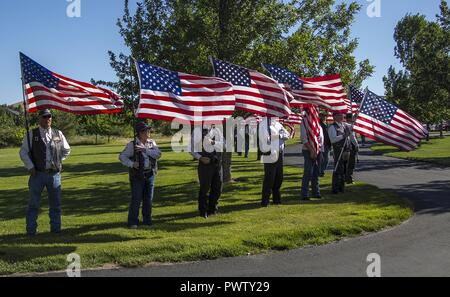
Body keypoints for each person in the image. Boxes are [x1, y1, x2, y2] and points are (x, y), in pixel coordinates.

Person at [19, 109, 71, 236]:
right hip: (37, 174)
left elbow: (67, 150)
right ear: (39, 119)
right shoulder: (31, 134)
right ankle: (31, 231)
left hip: (54, 175)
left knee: (56, 205)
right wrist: (30, 166)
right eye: (45, 116)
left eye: (49, 116)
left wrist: (59, 161)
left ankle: (56, 230)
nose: (48, 119)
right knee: (33, 204)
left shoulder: (58, 133)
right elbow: (23, 152)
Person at [119, 122, 161, 228]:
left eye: (148, 130)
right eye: (146, 131)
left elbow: (158, 154)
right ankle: (133, 221)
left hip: (150, 174)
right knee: (136, 198)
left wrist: (145, 150)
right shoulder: (132, 145)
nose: (149, 132)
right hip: (137, 175)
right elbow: (122, 157)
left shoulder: (152, 143)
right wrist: (132, 164)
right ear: (140, 133)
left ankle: (147, 220)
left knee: (148, 199)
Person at [190, 126, 223, 218]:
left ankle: (212, 209)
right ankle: (203, 211)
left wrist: (213, 142)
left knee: (217, 188)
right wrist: (200, 158)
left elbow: (224, 145)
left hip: (217, 163)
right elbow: (191, 148)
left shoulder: (217, 129)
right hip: (205, 164)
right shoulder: (197, 130)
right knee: (205, 188)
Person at [260, 117, 290, 207]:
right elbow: (266, 139)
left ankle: (276, 199)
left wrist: (277, 136)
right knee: (269, 178)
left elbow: (287, 135)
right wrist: (280, 136)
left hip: (279, 153)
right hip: (269, 152)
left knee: (279, 177)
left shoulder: (278, 124)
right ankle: (265, 201)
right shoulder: (264, 124)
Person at [328, 112, 358, 194]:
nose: (342, 117)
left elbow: (353, 126)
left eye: (342, 115)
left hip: (346, 150)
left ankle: (342, 188)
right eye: (339, 115)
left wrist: (355, 117)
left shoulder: (344, 125)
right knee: (338, 168)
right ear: (334, 117)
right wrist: (343, 136)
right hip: (338, 150)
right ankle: (335, 188)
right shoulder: (332, 127)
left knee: (344, 169)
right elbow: (333, 139)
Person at [300, 116, 324, 200]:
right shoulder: (305, 121)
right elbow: (304, 139)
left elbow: (320, 139)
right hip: (308, 150)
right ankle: (304, 194)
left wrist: (320, 151)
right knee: (308, 172)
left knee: (316, 173)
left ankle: (316, 192)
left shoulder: (318, 124)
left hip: (319, 150)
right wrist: (312, 150)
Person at [344, 113, 359, 184]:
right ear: (349, 118)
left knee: (348, 163)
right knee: (351, 163)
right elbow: (352, 137)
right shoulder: (349, 126)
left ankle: (346, 177)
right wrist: (356, 145)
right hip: (350, 146)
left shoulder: (346, 125)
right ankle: (349, 178)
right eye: (353, 117)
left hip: (348, 146)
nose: (354, 119)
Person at [319, 113, 331, 177]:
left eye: (324, 116)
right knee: (323, 159)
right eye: (322, 116)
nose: (324, 117)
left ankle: (322, 170)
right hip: (322, 144)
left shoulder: (327, 124)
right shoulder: (319, 124)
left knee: (326, 159)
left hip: (328, 144)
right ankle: (321, 171)